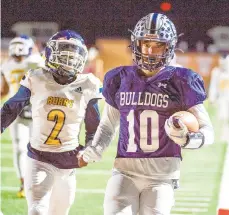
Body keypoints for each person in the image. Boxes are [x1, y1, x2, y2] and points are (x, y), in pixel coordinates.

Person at [78, 13, 214, 215]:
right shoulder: (120, 78)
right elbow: (108, 125)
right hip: (125, 172)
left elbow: (208, 131)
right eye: (145, 43)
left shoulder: (181, 80)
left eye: (157, 45)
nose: (150, 50)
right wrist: (92, 152)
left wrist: (189, 139)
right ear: (136, 45)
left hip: (162, 177)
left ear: (169, 47)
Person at [1, 30, 102, 215]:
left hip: (68, 161)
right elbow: (11, 108)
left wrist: (90, 147)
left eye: (73, 53)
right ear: (51, 53)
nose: (69, 58)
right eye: (65, 52)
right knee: (37, 210)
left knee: (59, 212)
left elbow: (93, 125)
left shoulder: (89, 84)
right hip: (39, 158)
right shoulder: (36, 77)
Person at [1, 35, 44, 197]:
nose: (18, 57)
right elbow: (4, 90)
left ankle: (36, 181)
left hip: (36, 110)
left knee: (37, 148)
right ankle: (23, 182)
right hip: (16, 111)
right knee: (19, 148)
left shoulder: (36, 62)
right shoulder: (7, 66)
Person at [208, 54, 229, 143]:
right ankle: (222, 134)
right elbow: (213, 86)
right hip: (222, 98)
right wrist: (212, 98)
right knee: (222, 117)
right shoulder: (217, 72)